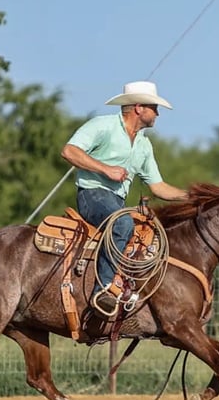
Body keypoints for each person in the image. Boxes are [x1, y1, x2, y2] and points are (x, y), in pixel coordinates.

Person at [61, 81, 188, 316]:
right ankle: (104, 291)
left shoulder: (144, 145)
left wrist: (191, 197)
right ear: (138, 107)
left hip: (116, 203)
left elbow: (158, 187)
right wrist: (105, 169)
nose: (157, 114)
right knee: (122, 223)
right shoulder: (103, 126)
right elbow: (70, 151)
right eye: (154, 107)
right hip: (92, 195)